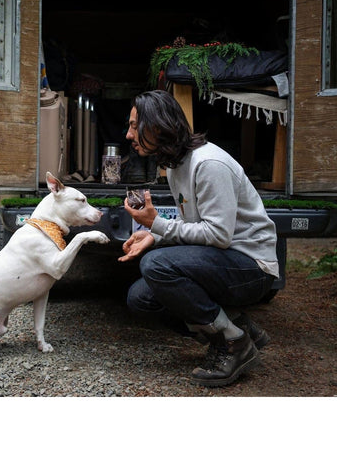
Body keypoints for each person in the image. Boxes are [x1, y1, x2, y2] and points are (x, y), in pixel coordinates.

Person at [119, 90, 278, 387]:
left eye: (133, 125)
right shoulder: (177, 165)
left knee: (156, 266)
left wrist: (158, 225)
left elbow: (218, 234)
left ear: (156, 126)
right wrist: (154, 235)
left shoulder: (208, 164)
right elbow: (196, 223)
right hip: (223, 260)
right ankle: (237, 326)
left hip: (252, 267)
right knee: (140, 299)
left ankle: (233, 343)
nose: (129, 134)